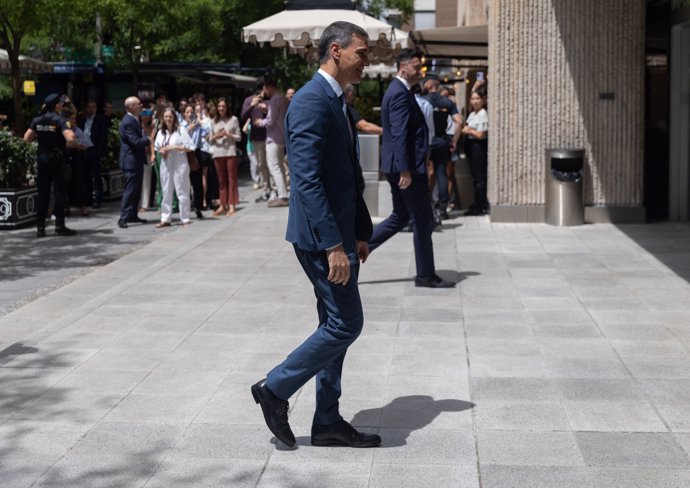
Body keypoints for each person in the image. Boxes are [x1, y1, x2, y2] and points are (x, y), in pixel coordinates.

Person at [251, 20, 380, 449]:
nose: (367, 60)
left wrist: (359, 231)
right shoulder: (309, 101)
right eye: (362, 52)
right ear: (336, 51)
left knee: (333, 324)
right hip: (321, 240)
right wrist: (333, 245)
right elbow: (306, 180)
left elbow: (347, 176)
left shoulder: (337, 99)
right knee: (346, 323)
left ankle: (326, 421)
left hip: (342, 235)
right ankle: (274, 389)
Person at [368, 50, 455, 289]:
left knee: (401, 216)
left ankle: (358, 248)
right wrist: (406, 169)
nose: (420, 71)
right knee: (424, 221)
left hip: (402, 166)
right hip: (406, 169)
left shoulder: (400, 91)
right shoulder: (398, 93)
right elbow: (399, 134)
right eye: (416, 67)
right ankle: (425, 275)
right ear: (403, 66)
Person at [23, 93, 78, 237]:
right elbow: (70, 139)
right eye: (60, 104)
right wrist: (71, 143)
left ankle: (40, 228)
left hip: (42, 159)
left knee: (43, 194)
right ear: (57, 106)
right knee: (59, 192)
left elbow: (27, 138)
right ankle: (59, 226)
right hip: (57, 160)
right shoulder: (61, 120)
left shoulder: (37, 120)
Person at [424, 77, 462, 220]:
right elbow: (459, 121)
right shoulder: (446, 102)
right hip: (442, 139)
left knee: (426, 173)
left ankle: (427, 205)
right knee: (441, 173)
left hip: (427, 141)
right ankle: (442, 208)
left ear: (429, 85)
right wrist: (454, 140)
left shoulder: (424, 100)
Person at [154, 107, 194, 227]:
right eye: (166, 117)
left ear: (174, 118)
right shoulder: (161, 132)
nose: (168, 119)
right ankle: (165, 218)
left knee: (182, 190)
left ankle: (185, 217)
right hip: (166, 164)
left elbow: (190, 147)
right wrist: (162, 151)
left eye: (170, 117)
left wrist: (174, 148)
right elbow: (157, 147)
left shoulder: (181, 130)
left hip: (179, 164)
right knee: (166, 190)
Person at [253, 79, 290, 208]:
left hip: (273, 139)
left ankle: (282, 196)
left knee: (275, 167)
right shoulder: (283, 99)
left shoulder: (275, 99)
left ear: (268, 87)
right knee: (279, 167)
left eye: (264, 89)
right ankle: (283, 194)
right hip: (281, 138)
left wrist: (259, 122)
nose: (264, 92)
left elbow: (271, 121)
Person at [118, 96, 150, 229]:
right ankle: (123, 217)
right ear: (130, 107)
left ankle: (132, 214)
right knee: (130, 189)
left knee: (136, 189)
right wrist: (149, 139)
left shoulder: (135, 119)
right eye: (137, 104)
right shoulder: (128, 121)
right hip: (130, 161)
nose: (141, 106)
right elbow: (136, 142)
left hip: (136, 160)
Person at [208, 98, 241, 216]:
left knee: (231, 179)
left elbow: (239, 137)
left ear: (227, 107)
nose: (221, 108)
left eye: (223, 106)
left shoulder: (233, 119)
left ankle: (232, 205)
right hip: (218, 153)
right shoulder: (213, 121)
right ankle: (223, 205)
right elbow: (210, 139)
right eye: (219, 106)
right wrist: (216, 136)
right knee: (221, 181)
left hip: (230, 152)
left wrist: (228, 134)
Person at [463, 86, 489, 215]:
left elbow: (481, 135)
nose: (474, 101)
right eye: (472, 98)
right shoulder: (473, 114)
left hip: (478, 148)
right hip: (471, 147)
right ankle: (476, 202)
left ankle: (480, 204)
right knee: (474, 177)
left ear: (483, 100)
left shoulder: (483, 114)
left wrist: (470, 131)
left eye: (477, 98)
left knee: (479, 177)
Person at [241, 83, 270, 202]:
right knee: (261, 165)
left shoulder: (269, 100)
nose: (262, 93)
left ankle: (273, 188)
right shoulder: (248, 100)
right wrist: (252, 105)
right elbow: (243, 116)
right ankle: (266, 189)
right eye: (260, 90)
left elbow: (276, 116)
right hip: (256, 138)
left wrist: (266, 110)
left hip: (270, 137)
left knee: (271, 165)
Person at [80, 100, 107, 209]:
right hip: (84, 150)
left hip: (94, 150)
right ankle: (88, 199)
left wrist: (99, 151)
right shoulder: (82, 120)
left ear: (96, 109)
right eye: (89, 107)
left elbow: (102, 137)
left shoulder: (100, 120)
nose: (91, 109)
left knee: (96, 177)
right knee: (86, 176)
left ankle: (98, 199)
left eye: (93, 107)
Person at [181, 104, 204, 219]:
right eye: (187, 112)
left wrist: (199, 122)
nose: (190, 114)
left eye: (191, 112)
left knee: (197, 182)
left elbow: (206, 133)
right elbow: (181, 138)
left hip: (196, 153)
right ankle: (187, 206)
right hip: (185, 153)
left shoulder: (198, 125)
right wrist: (188, 129)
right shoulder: (182, 126)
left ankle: (198, 206)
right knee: (185, 181)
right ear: (184, 114)